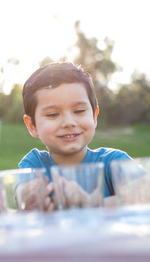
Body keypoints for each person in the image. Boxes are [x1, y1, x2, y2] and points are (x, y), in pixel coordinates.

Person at [18, 62, 133, 211]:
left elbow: (146, 190)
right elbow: (22, 193)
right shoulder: (34, 164)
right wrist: (28, 198)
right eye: (53, 114)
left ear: (94, 117)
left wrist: (91, 202)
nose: (68, 122)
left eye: (79, 111)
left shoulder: (113, 161)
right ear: (32, 126)